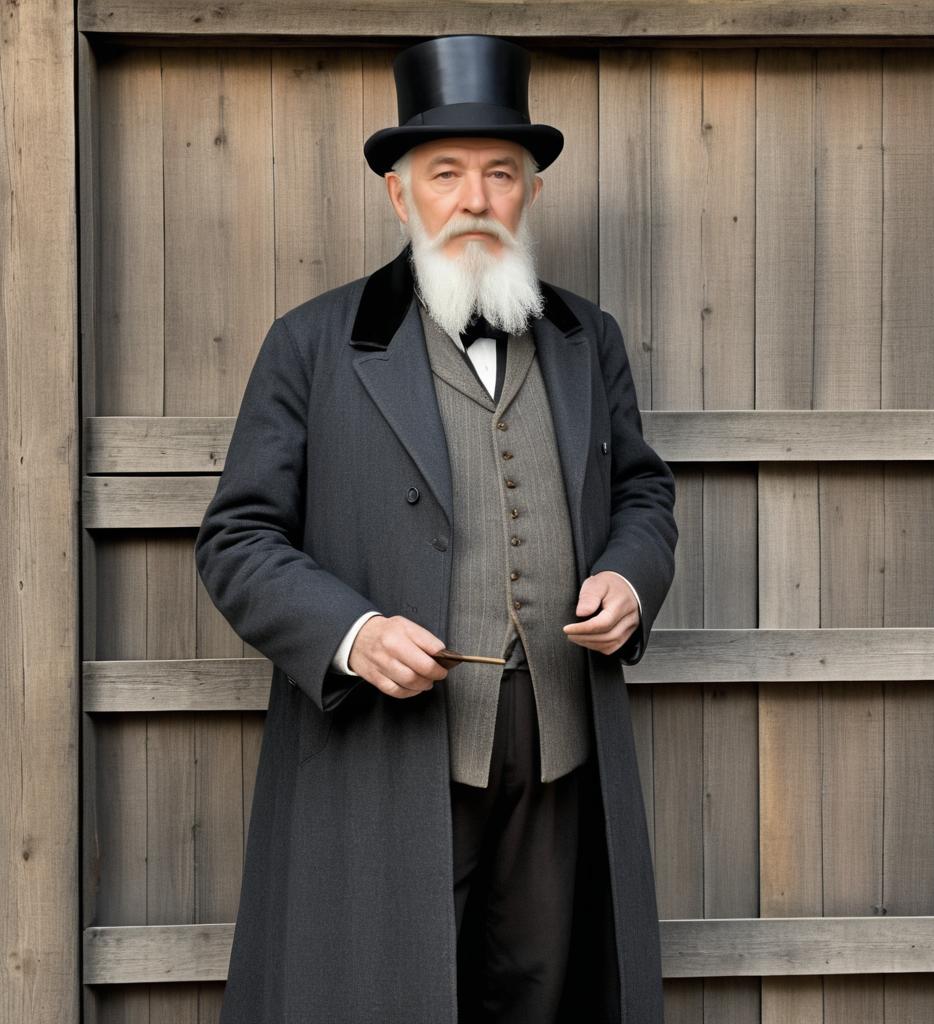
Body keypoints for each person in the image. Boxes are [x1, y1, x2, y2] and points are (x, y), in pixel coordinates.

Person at [195, 33, 677, 1024]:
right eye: (445, 172)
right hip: (386, 745)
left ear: (530, 193)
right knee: (391, 993)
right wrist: (353, 633)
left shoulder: (591, 341)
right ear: (400, 195)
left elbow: (643, 494)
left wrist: (632, 579)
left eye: (501, 173)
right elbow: (237, 535)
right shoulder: (313, 344)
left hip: (559, 745)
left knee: (549, 991)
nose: (473, 197)